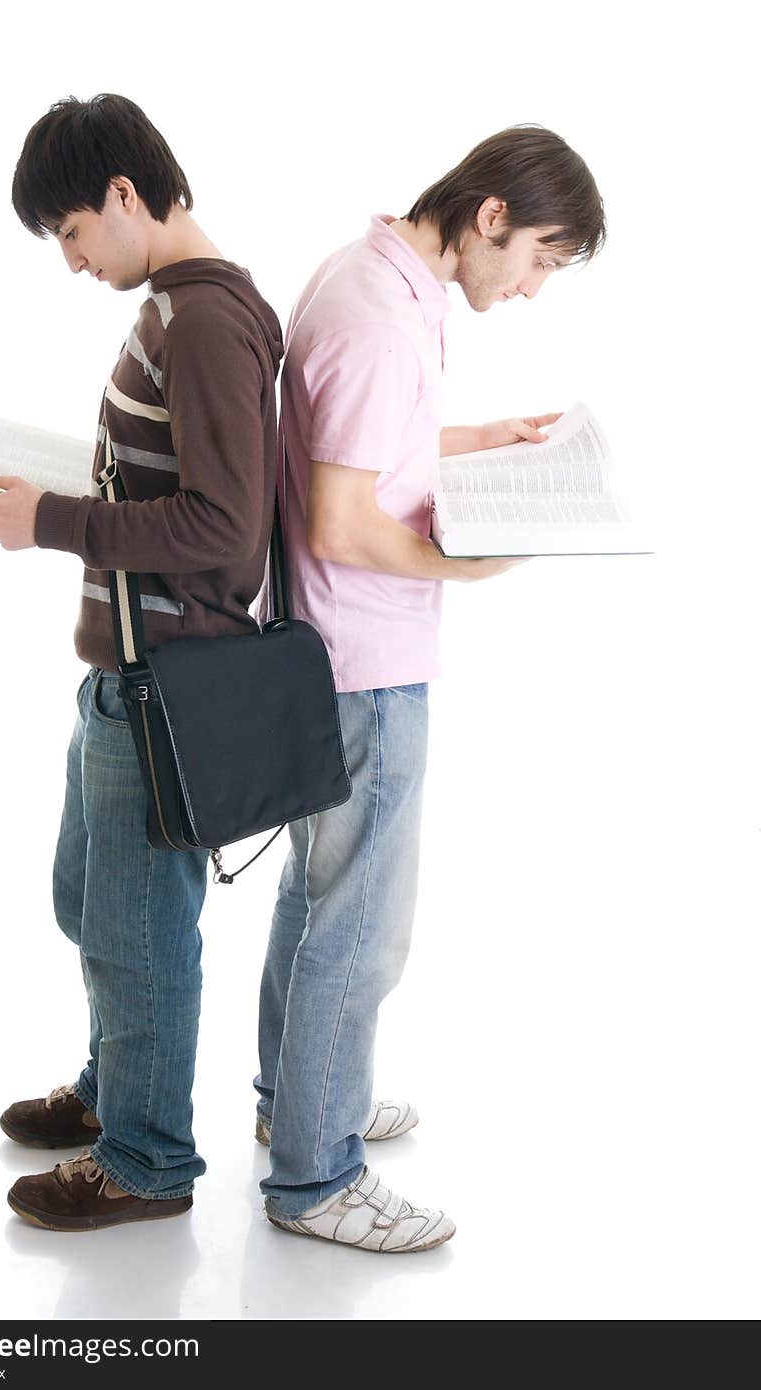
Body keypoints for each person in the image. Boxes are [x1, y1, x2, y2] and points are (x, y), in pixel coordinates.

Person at [254, 124, 606, 1253]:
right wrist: (469, 563)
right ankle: (317, 1176)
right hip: (365, 662)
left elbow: (366, 452)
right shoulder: (378, 319)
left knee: (317, 899)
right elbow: (341, 518)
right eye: (543, 257)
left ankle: (299, 1104)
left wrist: (478, 441)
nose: (535, 286)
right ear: (491, 215)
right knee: (361, 926)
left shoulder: (374, 280)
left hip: (330, 654)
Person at [0, 93, 283, 1231]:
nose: (69, 261)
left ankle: (145, 1159)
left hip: (167, 681)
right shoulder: (177, 306)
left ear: (122, 194)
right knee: (92, 902)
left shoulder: (204, 320)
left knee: (140, 931)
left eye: (68, 232)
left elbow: (223, 528)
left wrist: (51, 519)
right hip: (125, 671)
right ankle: (117, 1092)